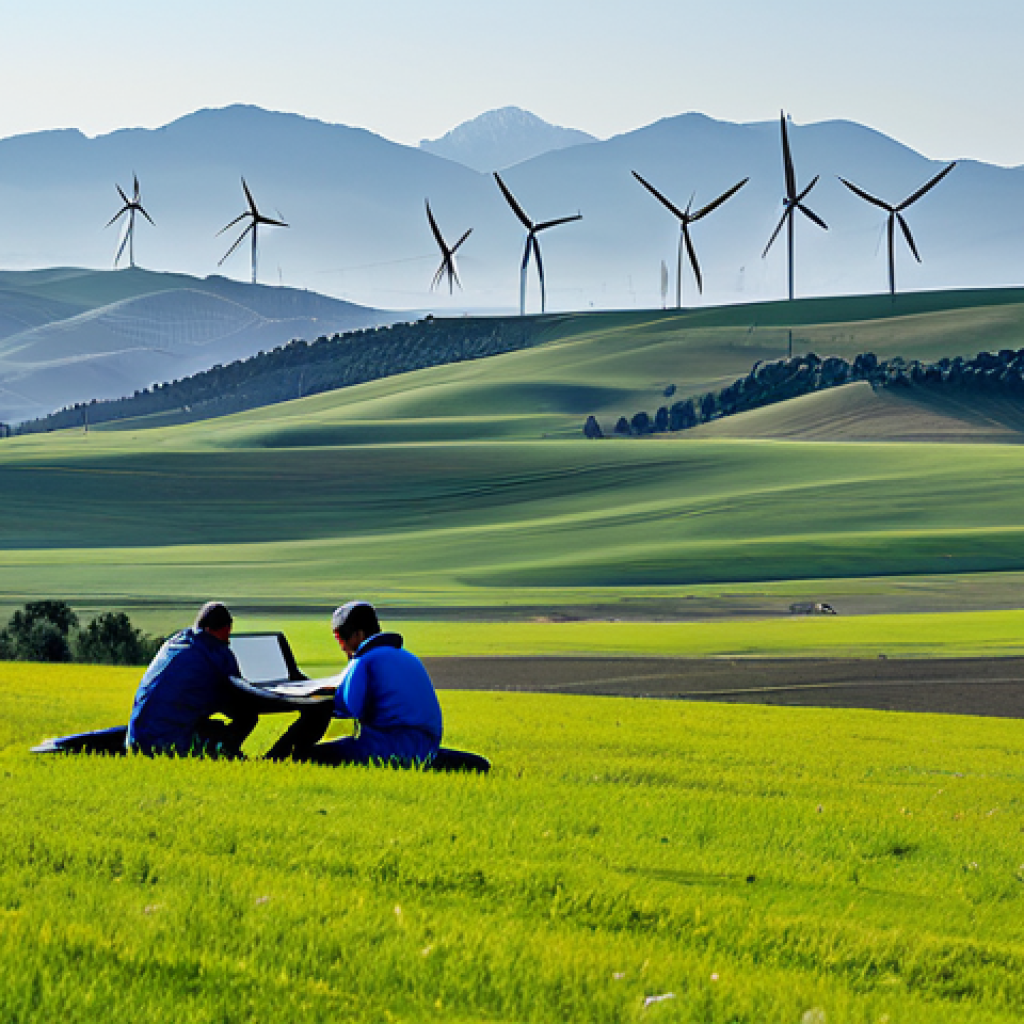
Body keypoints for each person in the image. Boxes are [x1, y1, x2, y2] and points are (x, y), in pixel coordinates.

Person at [275, 601, 443, 766]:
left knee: (304, 756)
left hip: (386, 747)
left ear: (358, 635)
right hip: (428, 748)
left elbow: (351, 707)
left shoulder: (364, 661)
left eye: (339, 637)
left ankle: (274, 758)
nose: (341, 646)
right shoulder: (409, 657)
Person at [127, 601, 258, 757]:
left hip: (134, 739)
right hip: (169, 743)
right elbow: (238, 696)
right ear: (226, 628)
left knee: (206, 723)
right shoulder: (216, 651)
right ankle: (225, 753)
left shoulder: (173, 642)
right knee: (248, 716)